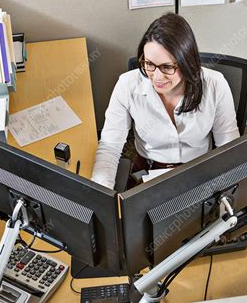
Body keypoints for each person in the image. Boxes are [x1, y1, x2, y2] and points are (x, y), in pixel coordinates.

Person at [91, 12, 239, 190]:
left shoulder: (215, 85)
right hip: (149, 171)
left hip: (199, 170)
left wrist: (244, 190)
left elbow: (229, 147)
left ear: (187, 62)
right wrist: (103, 197)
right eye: (149, 64)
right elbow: (109, 147)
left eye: (167, 67)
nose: (157, 77)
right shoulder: (127, 85)